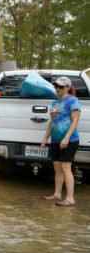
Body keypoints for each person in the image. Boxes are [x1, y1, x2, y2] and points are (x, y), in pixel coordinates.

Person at [41, 76, 81, 206]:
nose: (57, 89)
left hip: (70, 140)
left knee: (66, 167)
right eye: (56, 86)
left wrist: (67, 137)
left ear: (68, 88)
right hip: (56, 140)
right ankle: (57, 194)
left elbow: (75, 120)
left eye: (61, 87)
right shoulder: (54, 103)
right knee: (57, 168)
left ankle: (70, 198)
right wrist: (45, 138)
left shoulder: (73, 101)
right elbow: (52, 122)